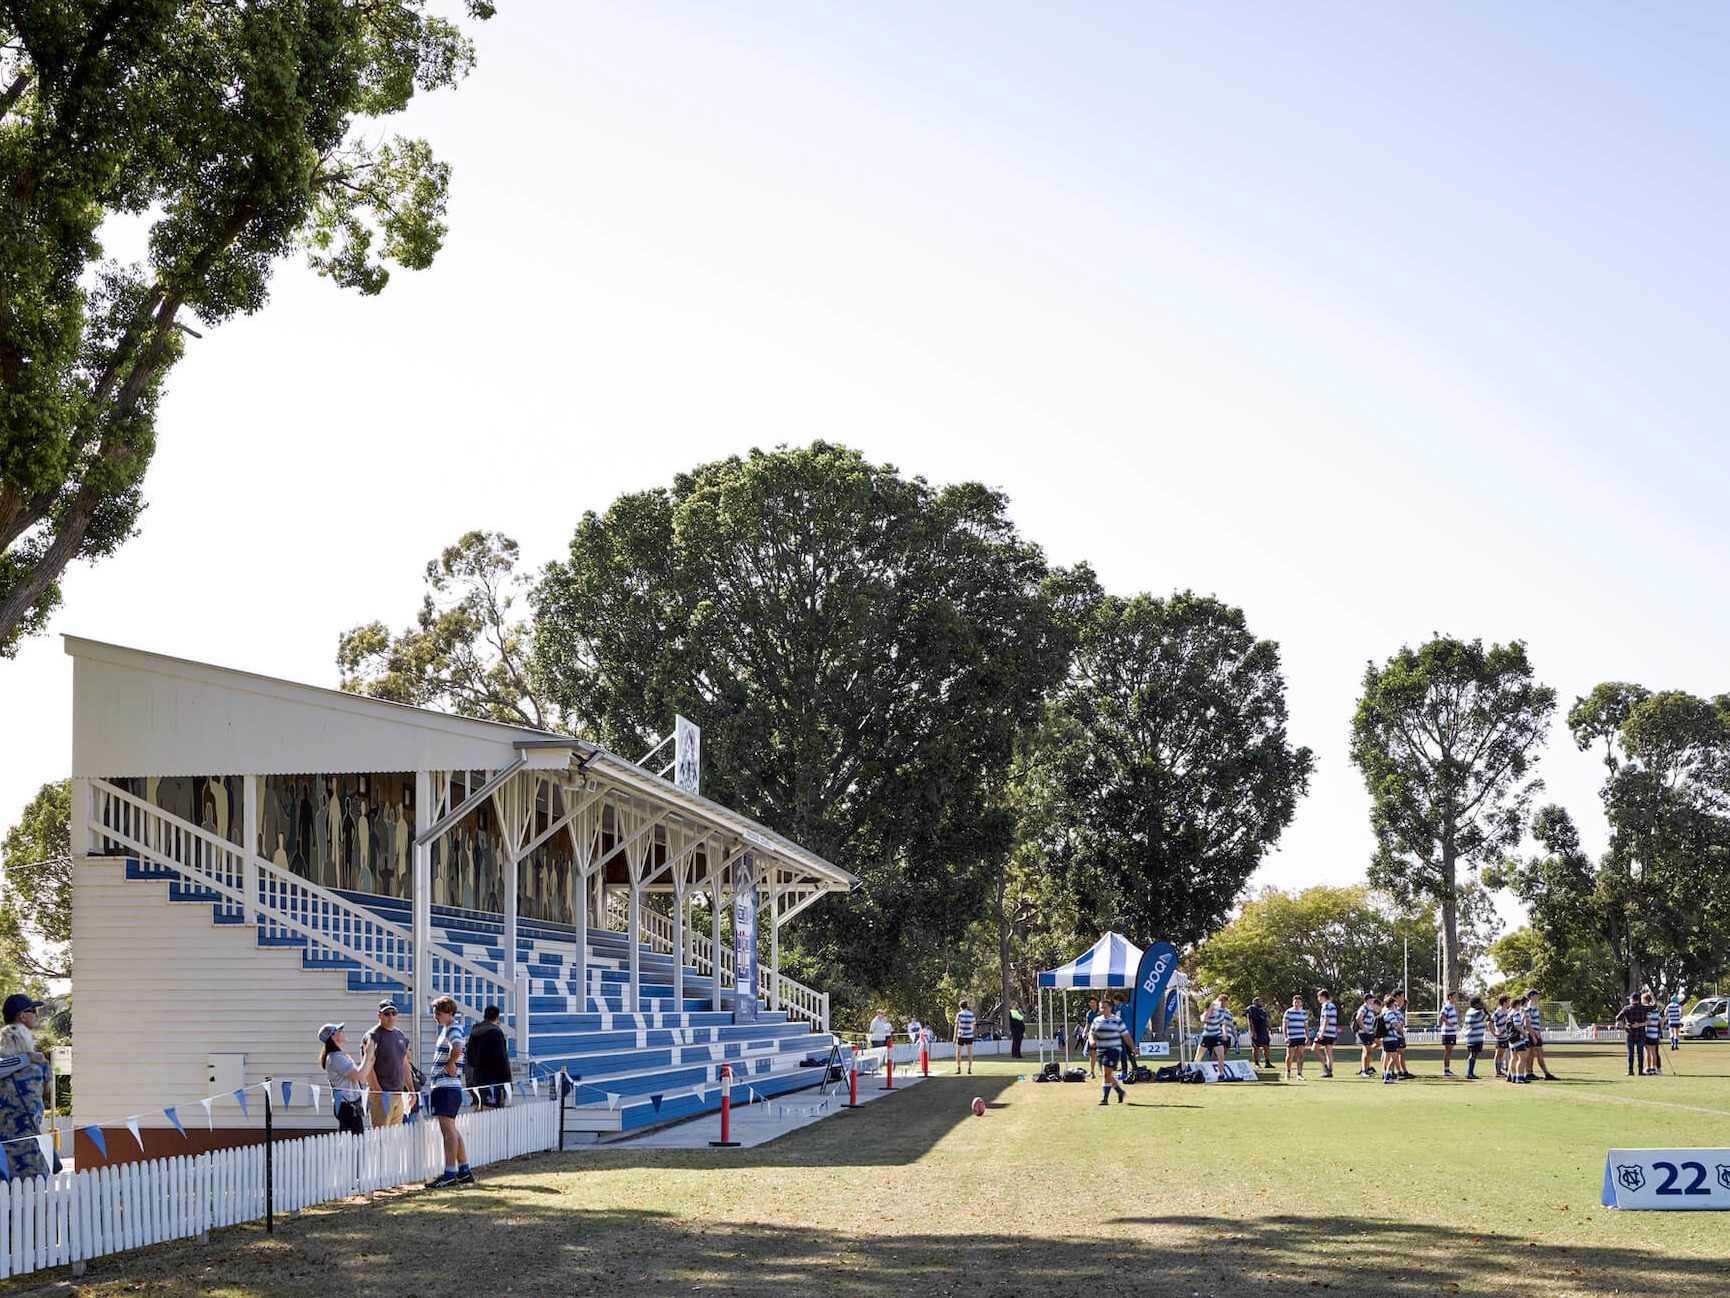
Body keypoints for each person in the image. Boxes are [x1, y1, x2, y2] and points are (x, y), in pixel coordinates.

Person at [0, 995, 51, 1177]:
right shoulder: (39, 1064)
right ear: (22, 1016)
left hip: (3, 1150)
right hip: (29, 1146)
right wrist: (28, 1058)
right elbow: (47, 1090)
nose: (36, 1015)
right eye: (33, 1011)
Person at [426, 996, 472, 1187]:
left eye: (438, 1012)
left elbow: (458, 1048)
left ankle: (449, 1174)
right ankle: (463, 1170)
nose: (435, 1016)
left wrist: (450, 1063)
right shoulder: (449, 1029)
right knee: (452, 1129)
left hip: (446, 1085)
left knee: (448, 1132)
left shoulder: (452, 1028)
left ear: (448, 1012)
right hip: (448, 1086)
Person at [363, 998, 414, 1126]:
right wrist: (379, 1092)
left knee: (394, 1137)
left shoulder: (400, 1035)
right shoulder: (372, 1036)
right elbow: (368, 1068)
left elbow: (405, 1064)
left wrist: (411, 1090)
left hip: (398, 1093)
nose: (390, 1017)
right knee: (381, 1137)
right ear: (379, 1015)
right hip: (382, 1094)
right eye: (386, 1014)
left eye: (393, 1013)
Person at [318, 1022, 376, 1135]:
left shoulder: (339, 1056)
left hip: (349, 1105)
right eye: (339, 1031)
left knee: (348, 1143)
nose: (343, 1032)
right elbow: (358, 1075)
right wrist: (368, 1055)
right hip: (347, 1106)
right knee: (355, 1142)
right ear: (333, 1037)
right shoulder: (335, 1058)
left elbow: (360, 1075)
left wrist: (370, 1060)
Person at [1089, 999, 1135, 1105]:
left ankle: (1105, 1099)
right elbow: (1092, 1033)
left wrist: (1133, 1048)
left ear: (1110, 1008)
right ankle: (1120, 1091)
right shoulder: (1096, 1020)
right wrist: (1092, 1041)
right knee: (1107, 1074)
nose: (1102, 1010)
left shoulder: (1117, 1020)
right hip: (1101, 1050)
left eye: (1104, 1007)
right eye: (1101, 1007)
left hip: (1113, 1050)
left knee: (1106, 1074)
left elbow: (1126, 1035)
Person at [466, 1004, 512, 1107]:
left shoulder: (474, 1033)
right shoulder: (496, 1033)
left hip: (477, 1078)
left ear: (484, 1016)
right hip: (494, 1081)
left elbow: (469, 1058)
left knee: (479, 1110)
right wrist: (507, 1079)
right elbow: (501, 1060)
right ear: (497, 1017)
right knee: (493, 1113)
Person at [1524, 991, 1557, 1081]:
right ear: (1531, 996)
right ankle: (1545, 1073)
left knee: (1533, 1054)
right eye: (1536, 995)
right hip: (1532, 1034)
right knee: (1536, 1053)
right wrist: (1534, 1035)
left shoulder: (1534, 1007)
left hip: (1534, 1034)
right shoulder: (1529, 1008)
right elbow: (1527, 1023)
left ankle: (1530, 1073)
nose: (1538, 997)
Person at [1612, 993, 1647, 1076]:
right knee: (1640, 1053)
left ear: (1632, 999)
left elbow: (1618, 1018)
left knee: (1630, 1053)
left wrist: (1624, 1027)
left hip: (1630, 1032)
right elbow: (1654, 1007)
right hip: (1641, 1033)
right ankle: (1640, 1071)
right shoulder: (1643, 1008)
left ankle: (1630, 1070)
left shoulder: (1627, 1008)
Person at [1197, 996, 1232, 1065]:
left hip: (1224, 1035)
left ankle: (1219, 1070)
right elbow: (1204, 1019)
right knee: (1212, 1055)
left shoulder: (1228, 1012)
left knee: (1221, 1055)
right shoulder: (1215, 1010)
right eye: (1221, 1000)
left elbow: (1228, 1024)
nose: (1223, 1002)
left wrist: (1230, 1034)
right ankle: (1210, 1067)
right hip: (1212, 1036)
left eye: (1224, 1001)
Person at [1282, 994, 1308, 1081]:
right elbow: (1284, 1026)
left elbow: (1306, 1026)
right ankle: (1288, 1071)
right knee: (1290, 1055)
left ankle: (1299, 1073)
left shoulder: (1304, 1013)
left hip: (1301, 1036)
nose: (1296, 1003)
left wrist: (1307, 1037)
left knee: (1301, 1055)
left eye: (1298, 1002)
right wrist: (1285, 1037)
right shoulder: (1288, 1012)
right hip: (1291, 1036)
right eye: (1295, 1002)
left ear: (1301, 1003)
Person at [1313, 989, 1338, 1078]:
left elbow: (1326, 1019)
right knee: (1328, 1052)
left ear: (1322, 996)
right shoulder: (1333, 1005)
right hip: (1331, 1032)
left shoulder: (1326, 1005)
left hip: (1325, 1032)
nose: (1318, 999)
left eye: (1319, 997)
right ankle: (1329, 1071)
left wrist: (1322, 1033)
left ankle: (1325, 1067)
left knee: (1314, 1049)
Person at [1353, 994, 1379, 1077]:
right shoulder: (1364, 1008)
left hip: (1369, 1032)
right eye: (1372, 999)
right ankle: (1364, 1070)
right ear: (1368, 1000)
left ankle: (1365, 1068)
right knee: (1367, 1051)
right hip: (1364, 1033)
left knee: (1368, 1051)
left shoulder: (1370, 1009)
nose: (1373, 1001)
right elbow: (1358, 1018)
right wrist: (1364, 1028)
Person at [1462, 996, 1488, 1079]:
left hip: (1471, 1036)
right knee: (1474, 1054)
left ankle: (1470, 1072)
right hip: (1475, 1037)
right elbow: (1489, 1018)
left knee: (1473, 1054)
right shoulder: (1477, 1012)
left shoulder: (1469, 1011)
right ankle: (1469, 1072)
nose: (1482, 1004)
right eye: (1480, 1002)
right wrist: (1484, 1009)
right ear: (1476, 1004)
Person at [1438, 991, 1460, 1077]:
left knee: (1449, 1051)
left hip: (1452, 1032)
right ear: (1450, 997)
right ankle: (1446, 1070)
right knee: (1448, 1051)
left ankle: (1447, 1069)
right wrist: (1448, 1023)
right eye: (1454, 997)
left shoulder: (1452, 1007)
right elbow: (1441, 1016)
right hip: (1448, 1032)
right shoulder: (1447, 1006)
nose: (1456, 998)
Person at [1247, 997, 1272, 1069]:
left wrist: (1269, 1028)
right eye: (1260, 1001)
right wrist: (1253, 1032)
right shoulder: (1252, 1009)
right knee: (1255, 1047)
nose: (1261, 1002)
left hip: (1264, 1032)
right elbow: (1250, 1021)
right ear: (1255, 1002)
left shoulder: (1263, 1010)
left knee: (1266, 1047)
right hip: (1256, 1031)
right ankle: (1256, 1063)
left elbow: (1266, 1020)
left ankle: (1267, 1063)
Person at [1641, 990, 1662, 1075]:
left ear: (1645, 1000)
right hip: (1655, 1032)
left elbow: (1647, 1021)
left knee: (1647, 1051)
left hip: (1648, 1032)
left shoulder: (1646, 1009)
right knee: (1653, 1051)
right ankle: (1654, 1068)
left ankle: (1648, 1068)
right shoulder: (1655, 1010)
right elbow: (1661, 1021)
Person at [1491, 995, 1512, 1078]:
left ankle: (1503, 1070)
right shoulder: (1498, 1012)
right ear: (1504, 1002)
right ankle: (1497, 1071)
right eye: (1508, 1001)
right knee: (1499, 1054)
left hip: (1507, 1036)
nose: (1509, 1003)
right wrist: (1494, 1033)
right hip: (1500, 1037)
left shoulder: (1506, 1011)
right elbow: (1490, 1022)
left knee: (1504, 1054)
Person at [953, 1000, 976, 1075]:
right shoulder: (971, 1014)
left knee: (958, 1052)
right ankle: (969, 1069)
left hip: (961, 1035)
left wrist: (955, 1036)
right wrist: (971, 1033)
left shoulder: (959, 1014)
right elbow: (973, 1025)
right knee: (969, 1052)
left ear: (960, 1007)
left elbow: (956, 1025)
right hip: (969, 1035)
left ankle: (958, 1068)